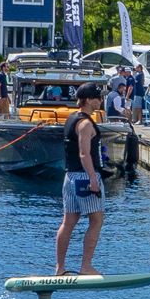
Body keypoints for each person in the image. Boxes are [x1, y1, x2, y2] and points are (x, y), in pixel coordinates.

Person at [56, 84, 107, 276]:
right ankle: (86, 267)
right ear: (87, 100)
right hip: (85, 176)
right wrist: (93, 180)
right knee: (96, 221)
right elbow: (84, 154)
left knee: (68, 222)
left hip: (69, 177)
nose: (100, 101)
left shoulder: (71, 119)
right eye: (97, 98)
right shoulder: (85, 124)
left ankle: (60, 268)